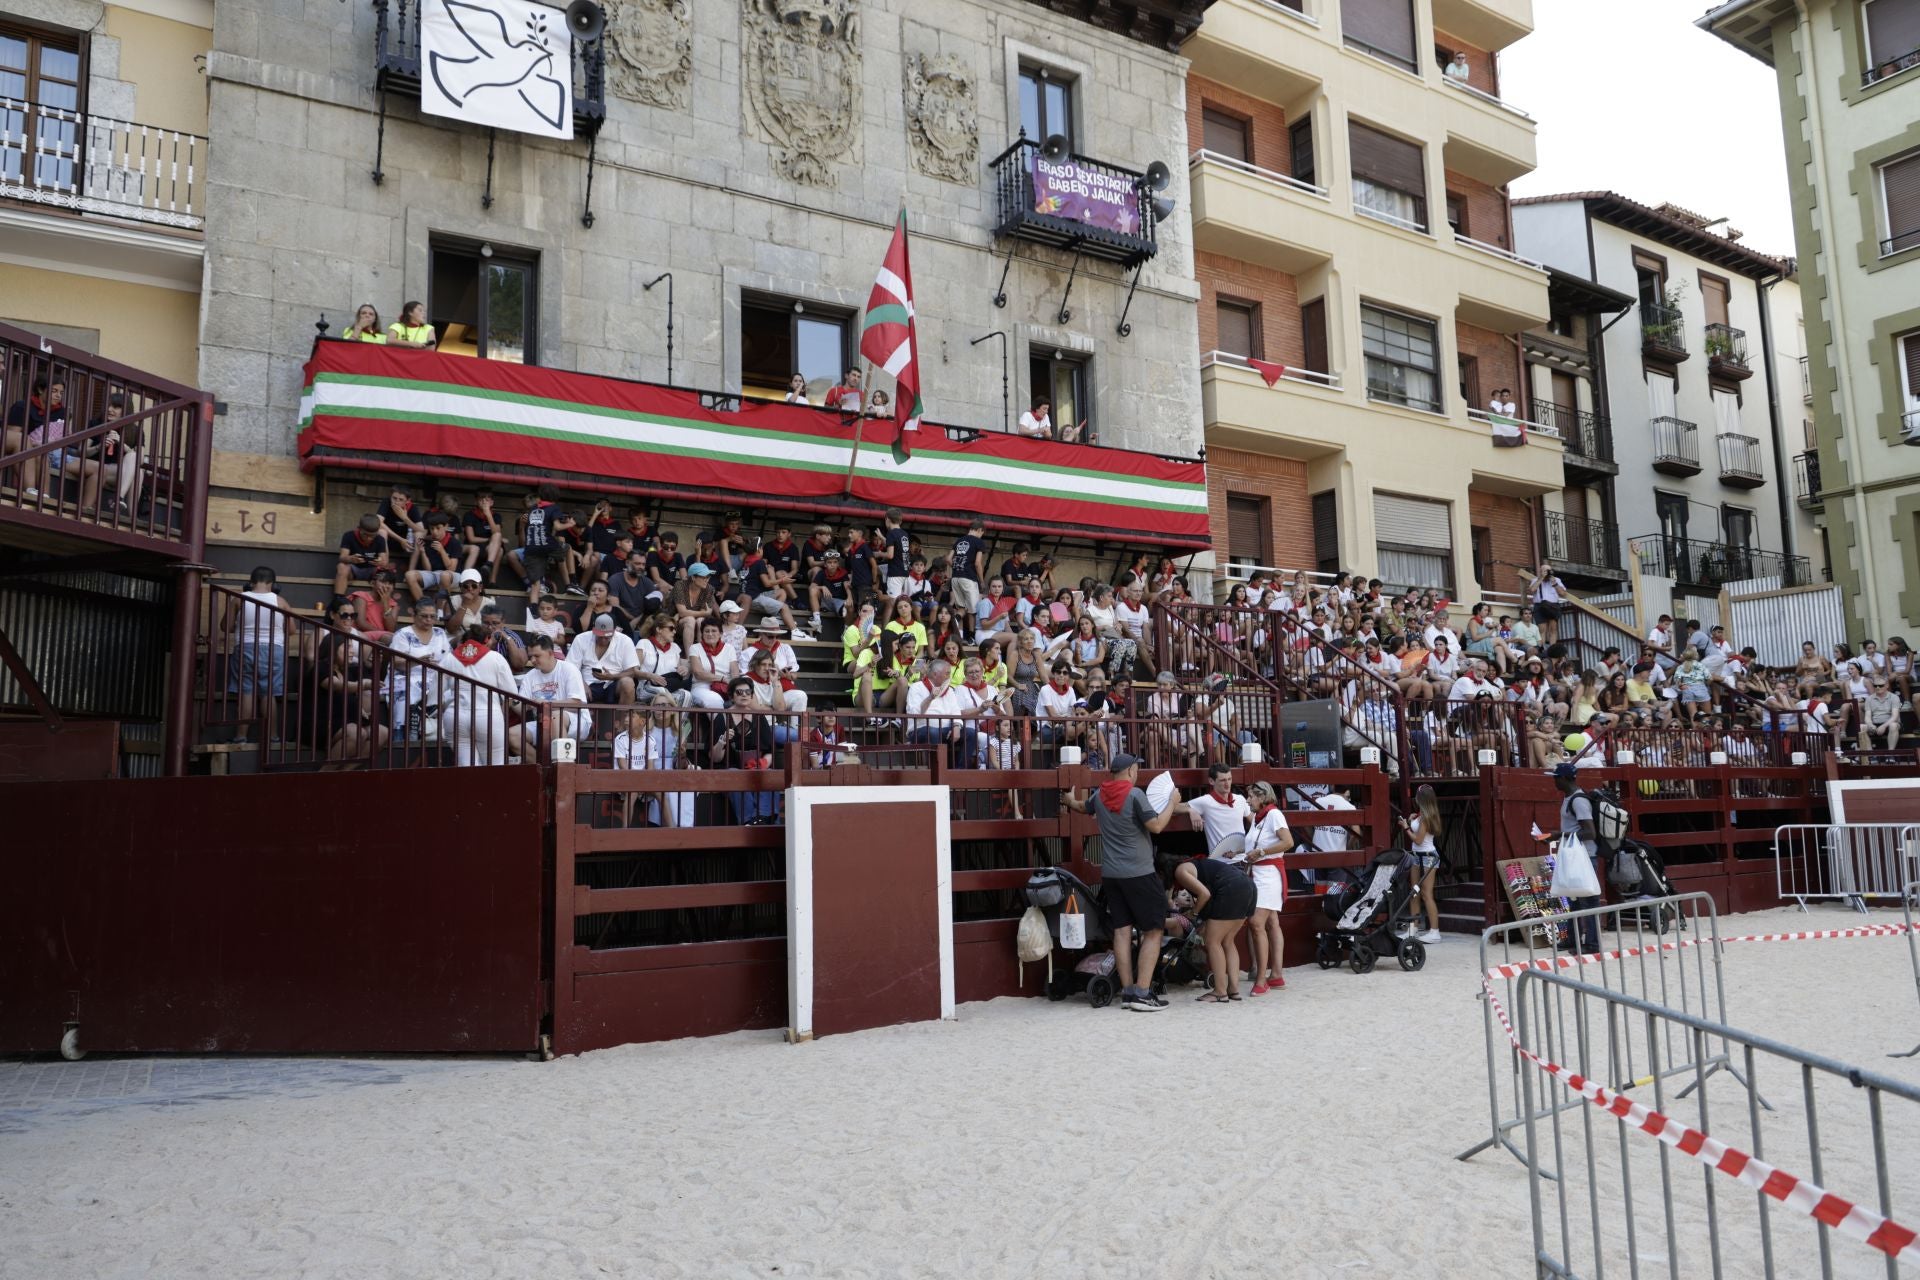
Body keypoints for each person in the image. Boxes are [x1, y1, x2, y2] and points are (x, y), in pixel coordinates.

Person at [1059, 754, 1189, 1012]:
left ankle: (1128, 991)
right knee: (1153, 931)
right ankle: (1142, 992)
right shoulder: (1134, 795)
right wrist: (1173, 802)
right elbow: (1157, 826)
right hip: (1139, 873)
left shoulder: (1101, 794)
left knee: (1121, 930)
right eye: (1136, 768)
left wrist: (1069, 800)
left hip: (1112, 875)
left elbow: (1083, 807)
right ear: (1130, 770)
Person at [1170, 851, 1256, 1003]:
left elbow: (1205, 894)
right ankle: (1233, 989)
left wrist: (1194, 913)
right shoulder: (1198, 865)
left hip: (1231, 888)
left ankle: (1219, 991)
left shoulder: (1180, 870)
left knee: (1212, 942)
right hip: (1248, 885)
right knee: (1228, 941)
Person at [227, 566, 294, 745]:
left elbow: (225, 626)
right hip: (273, 649)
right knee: (269, 693)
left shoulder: (239, 599)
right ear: (273, 584)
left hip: (246, 647)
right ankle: (272, 737)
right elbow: (292, 630)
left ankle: (241, 737)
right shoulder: (281, 601)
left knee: (246, 692)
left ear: (250, 582)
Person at [437, 624, 518, 765]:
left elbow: (434, 696)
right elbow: (512, 695)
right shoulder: (496, 658)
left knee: (467, 767)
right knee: (494, 768)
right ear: (487, 639)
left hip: (456, 715)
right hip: (488, 715)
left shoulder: (449, 658)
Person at [1543, 762, 1602, 954]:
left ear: (1565, 778)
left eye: (1556, 777)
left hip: (1585, 856)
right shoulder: (1570, 798)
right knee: (1573, 898)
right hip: (1577, 855)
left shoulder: (1578, 801)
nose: (1554, 781)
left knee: (1588, 901)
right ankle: (1572, 939)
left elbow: (1590, 832)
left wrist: (1559, 835)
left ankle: (1592, 944)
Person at [1244, 780, 1293, 994]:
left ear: (1262, 797)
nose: (1248, 800)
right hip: (1259, 873)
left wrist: (1262, 853)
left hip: (1269, 875)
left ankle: (1262, 979)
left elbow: (1288, 842)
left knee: (1256, 923)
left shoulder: (1273, 815)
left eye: (1251, 796)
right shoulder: (1258, 817)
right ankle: (1276, 975)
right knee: (1271, 922)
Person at [509, 633, 587, 760]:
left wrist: (547, 704)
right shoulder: (530, 676)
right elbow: (521, 711)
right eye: (531, 656)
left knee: (556, 717)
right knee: (512, 735)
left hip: (576, 721)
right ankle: (544, 768)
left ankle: (562, 767)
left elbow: (576, 704)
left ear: (551, 653)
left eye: (537, 656)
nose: (532, 660)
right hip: (542, 722)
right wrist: (514, 703)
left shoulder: (569, 669)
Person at [1399, 784, 1444, 945]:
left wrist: (1406, 828)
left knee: (1426, 894)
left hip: (1428, 857)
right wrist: (1411, 820)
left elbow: (1418, 840)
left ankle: (1434, 932)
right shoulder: (1421, 815)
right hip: (1417, 856)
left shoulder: (1426, 817)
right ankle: (1413, 928)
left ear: (1421, 799)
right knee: (1414, 892)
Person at [569, 613, 642, 708]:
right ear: (593, 630)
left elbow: (632, 672)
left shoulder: (625, 641)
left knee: (628, 683)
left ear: (615, 631)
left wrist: (612, 677)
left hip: (613, 684)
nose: (603, 640)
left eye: (607, 637)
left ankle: (623, 722)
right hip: (587, 682)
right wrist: (581, 684)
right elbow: (571, 668)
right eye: (600, 636)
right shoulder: (581, 639)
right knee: (574, 686)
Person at [1187, 762, 1251, 856]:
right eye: (1222, 780)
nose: (1227, 784)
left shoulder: (1240, 799)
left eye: (1229, 779)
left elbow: (1255, 822)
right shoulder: (1205, 801)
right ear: (1211, 781)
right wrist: (1191, 810)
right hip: (1220, 863)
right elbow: (1176, 807)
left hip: (1244, 859)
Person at [949, 516, 986, 636]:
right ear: (980, 530)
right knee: (973, 610)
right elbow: (977, 563)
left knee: (961, 607)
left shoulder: (959, 540)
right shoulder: (978, 542)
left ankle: (955, 619)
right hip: (969, 578)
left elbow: (948, 559)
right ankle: (971, 637)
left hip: (955, 577)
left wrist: (957, 567)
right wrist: (981, 581)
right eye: (982, 533)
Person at [1528, 561, 1566, 648]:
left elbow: (1563, 593)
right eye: (1545, 570)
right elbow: (1532, 590)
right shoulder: (1535, 580)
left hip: (1553, 606)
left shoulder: (1556, 580)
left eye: (1549, 570)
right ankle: (1541, 649)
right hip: (1539, 606)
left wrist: (1555, 583)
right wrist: (1541, 578)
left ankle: (1552, 650)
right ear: (1540, 571)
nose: (1547, 572)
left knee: (1553, 629)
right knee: (1542, 630)